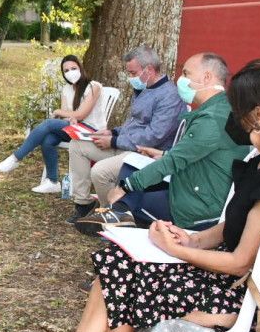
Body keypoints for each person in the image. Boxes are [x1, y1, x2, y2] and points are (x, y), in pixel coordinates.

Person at [18, 60, 260, 332]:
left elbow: (241, 261)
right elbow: (230, 228)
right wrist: (191, 240)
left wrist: (175, 250)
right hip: (233, 274)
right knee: (120, 259)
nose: (230, 117)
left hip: (245, 293)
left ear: (256, 116)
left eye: (235, 109)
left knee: (125, 277)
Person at [77, 52, 247, 231]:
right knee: (130, 169)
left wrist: (125, 187)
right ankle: (119, 215)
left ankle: (120, 218)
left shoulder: (210, 119)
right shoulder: (219, 108)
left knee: (130, 192)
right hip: (195, 185)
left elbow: (174, 161)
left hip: (197, 209)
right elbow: (196, 152)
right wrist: (163, 154)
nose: (180, 79)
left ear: (206, 77)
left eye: (186, 74)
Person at [66, 45, 185, 221]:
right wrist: (111, 131)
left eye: (133, 73)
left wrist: (114, 141)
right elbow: (133, 124)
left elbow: (153, 137)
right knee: (77, 145)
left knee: (100, 172)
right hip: (124, 144)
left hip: (144, 153)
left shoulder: (169, 96)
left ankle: (113, 216)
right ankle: (84, 204)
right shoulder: (144, 89)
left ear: (149, 70)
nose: (130, 78)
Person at [0, 55, 105, 192]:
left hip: (91, 131)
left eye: (73, 68)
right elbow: (68, 115)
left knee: (48, 124)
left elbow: (81, 114)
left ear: (80, 68)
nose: (70, 72)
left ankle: (15, 158)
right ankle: (53, 182)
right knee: (48, 140)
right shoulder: (66, 89)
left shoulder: (94, 86)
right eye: (66, 71)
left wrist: (62, 112)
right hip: (74, 129)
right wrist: (70, 118)